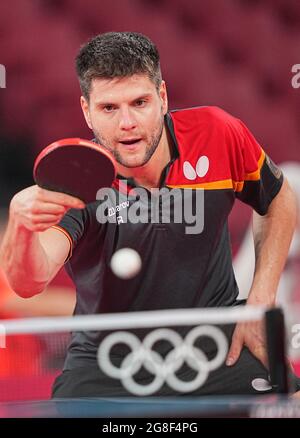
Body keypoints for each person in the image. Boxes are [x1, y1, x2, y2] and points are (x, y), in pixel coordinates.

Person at [0, 32, 298, 398]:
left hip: (218, 344)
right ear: (86, 111)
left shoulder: (217, 133)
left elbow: (280, 199)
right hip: (108, 361)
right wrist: (21, 226)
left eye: (139, 102)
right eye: (109, 108)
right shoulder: (74, 178)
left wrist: (260, 300)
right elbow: (29, 282)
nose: (127, 123)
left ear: (162, 97)